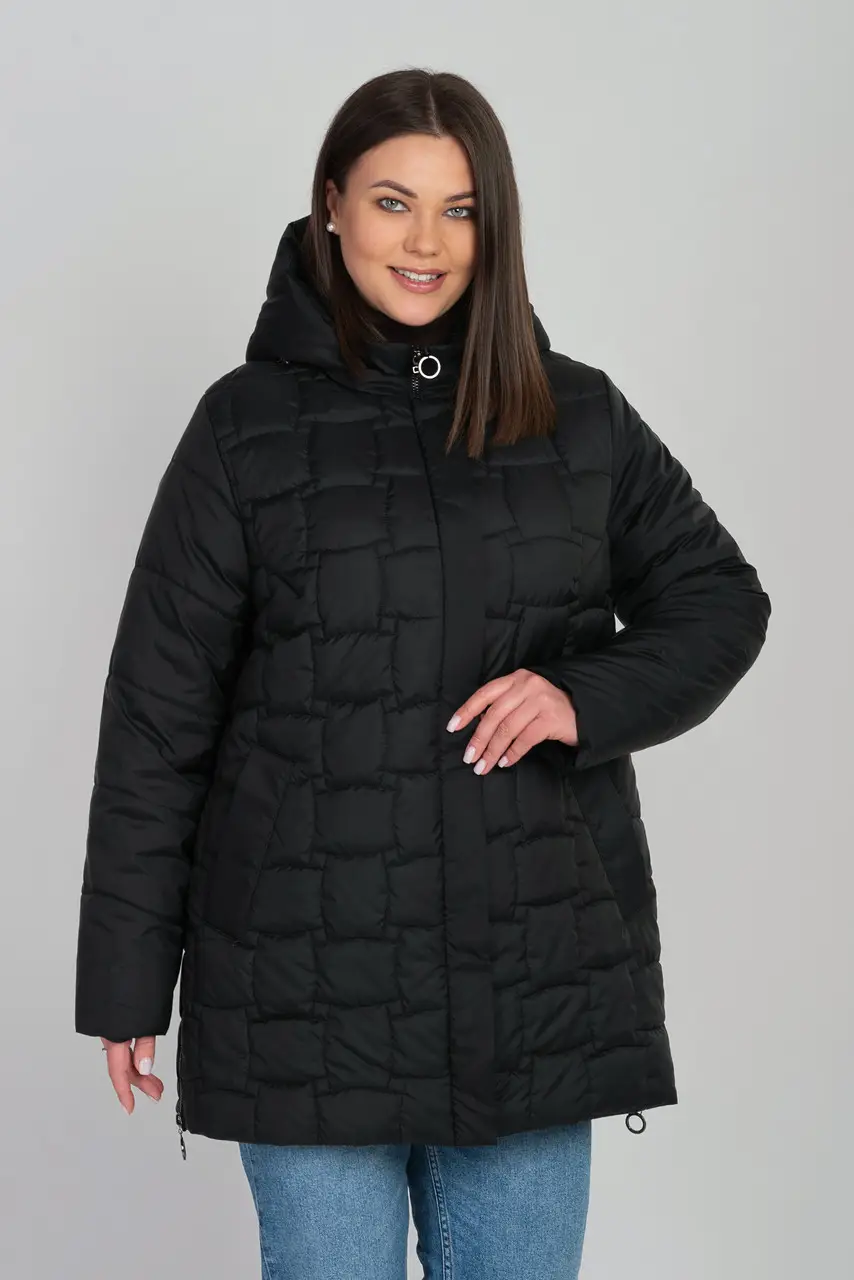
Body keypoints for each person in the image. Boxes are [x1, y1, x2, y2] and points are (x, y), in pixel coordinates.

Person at [74, 67, 771, 1279]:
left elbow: (718, 600)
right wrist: (128, 983)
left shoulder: (575, 416)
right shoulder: (243, 428)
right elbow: (158, 719)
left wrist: (578, 695)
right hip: (305, 999)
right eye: (393, 202)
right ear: (331, 204)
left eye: (460, 210)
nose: (425, 243)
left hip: (530, 993)